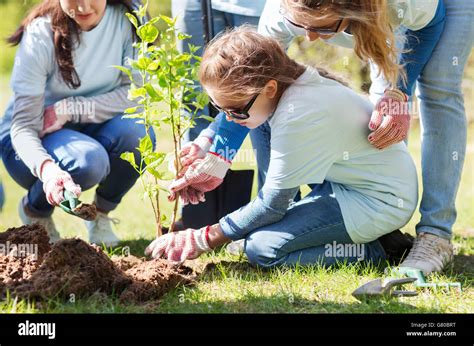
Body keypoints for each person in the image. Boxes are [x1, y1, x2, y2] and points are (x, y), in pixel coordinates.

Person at [167, 0, 474, 274]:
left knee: (437, 88)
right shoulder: (282, 12)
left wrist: (398, 94)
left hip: (428, 13)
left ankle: (434, 233)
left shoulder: (399, 5)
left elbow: (430, 23)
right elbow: (251, 86)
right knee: (272, 113)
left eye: (321, 27)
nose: (310, 38)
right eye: (302, 27)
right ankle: (333, 223)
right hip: (370, 24)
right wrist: (217, 151)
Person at [145, 27, 418, 268]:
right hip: (347, 186)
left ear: (270, 88)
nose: (229, 118)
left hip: (378, 200)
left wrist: (203, 238)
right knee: (256, 231)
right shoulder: (286, 89)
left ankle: (379, 248)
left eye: (236, 110)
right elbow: (249, 117)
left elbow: (273, 205)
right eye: (220, 108)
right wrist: (214, 158)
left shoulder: (297, 113)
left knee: (263, 249)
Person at [0, 0, 153, 245]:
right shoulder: (40, 33)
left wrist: (72, 109)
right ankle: (35, 211)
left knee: (139, 135)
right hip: (32, 138)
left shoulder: (130, 19)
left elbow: (136, 95)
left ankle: (99, 216)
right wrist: (48, 170)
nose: (82, 7)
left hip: (90, 124)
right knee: (88, 162)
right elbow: (23, 126)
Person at [169, 0, 266, 230]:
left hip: (252, 6)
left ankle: (270, 204)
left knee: (258, 92)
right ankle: (195, 211)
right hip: (194, 4)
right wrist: (206, 142)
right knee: (195, 95)